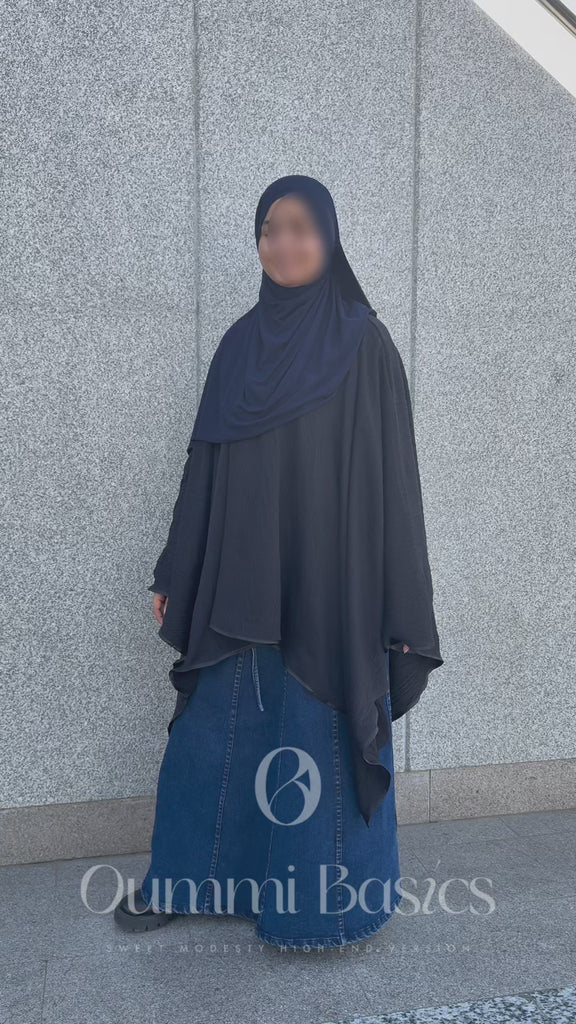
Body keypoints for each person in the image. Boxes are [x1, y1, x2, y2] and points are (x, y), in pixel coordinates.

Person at [114, 174, 443, 949]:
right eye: (270, 229)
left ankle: (323, 908)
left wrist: (402, 605)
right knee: (212, 735)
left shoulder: (364, 344)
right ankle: (186, 880)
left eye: (300, 228)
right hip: (239, 579)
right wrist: (176, 571)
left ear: (329, 238)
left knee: (315, 731)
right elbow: (203, 467)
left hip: (333, 587)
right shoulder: (239, 345)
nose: (283, 243)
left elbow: (397, 485)